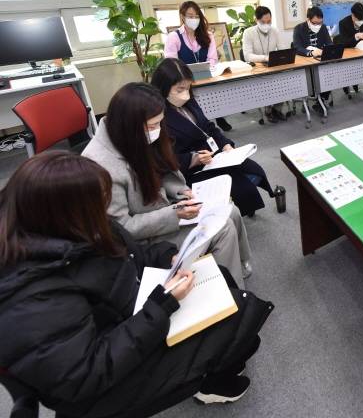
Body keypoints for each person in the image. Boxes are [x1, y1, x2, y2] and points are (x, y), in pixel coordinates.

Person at [0, 152, 272, 414]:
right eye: (98, 204)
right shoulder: (31, 299)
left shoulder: (78, 227)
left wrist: (168, 256)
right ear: (66, 213)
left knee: (218, 277)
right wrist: (161, 306)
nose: (105, 211)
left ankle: (219, 366)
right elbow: (87, 374)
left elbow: (133, 253)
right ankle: (212, 383)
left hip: (128, 317)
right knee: (232, 318)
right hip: (101, 385)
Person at [82, 82, 252, 286]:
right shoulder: (100, 166)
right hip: (145, 238)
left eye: (159, 124)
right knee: (222, 229)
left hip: (165, 206)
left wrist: (181, 191)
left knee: (229, 210)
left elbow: (162, 171)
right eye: (152, 126)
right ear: (130, 125)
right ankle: (231, 290)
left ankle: (239, 265)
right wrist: (174, 214)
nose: (156, 131)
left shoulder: (133, 135)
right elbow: (122, 228)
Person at [151, 58, 274, 218]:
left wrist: (225, 145)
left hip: (213, 156)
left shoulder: (188, 101)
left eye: (188, 87)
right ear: (163, 87)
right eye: (180, 89)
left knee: (253, 170)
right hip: (190, 170)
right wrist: (193, 159)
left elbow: (208, 127)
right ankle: (235, 214)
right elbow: (162, 158)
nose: (186, 94)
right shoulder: (156, 116)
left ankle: (243, 208)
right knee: (239, 186)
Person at [164, 1, 232, 132]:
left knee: (215, 91)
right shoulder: (174, 37)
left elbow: (212, 58)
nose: (194, 19)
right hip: (184, 81)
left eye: (196, 16)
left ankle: (219, 116)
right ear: (182, 16)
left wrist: (206, 68)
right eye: (190, 16)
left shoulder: (207, 35)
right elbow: (171, 63)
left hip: (207, 77)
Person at [241, 6, 286, 123]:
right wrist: (265, 58)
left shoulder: (275, 31)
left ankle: (277, 109)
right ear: (256, 20)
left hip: (273, 65)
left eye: (269, 21)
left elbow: (283, 50)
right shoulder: (248, 33)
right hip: (258, 68)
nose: (266, 24)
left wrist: (281, 57)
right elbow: (247, 56)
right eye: (263, 22)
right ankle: (268, 110)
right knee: (267, 84)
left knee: (283, 81)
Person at [335, 1, 363, 97]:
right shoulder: (343, 23)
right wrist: (356, 36)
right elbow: (344, 42)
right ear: (353, 15)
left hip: (361, 52)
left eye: (362, 19)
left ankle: (360, 83)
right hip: (348, 53)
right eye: (358, 19)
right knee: (351, 69)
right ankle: (347, 85)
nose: (361, 21)